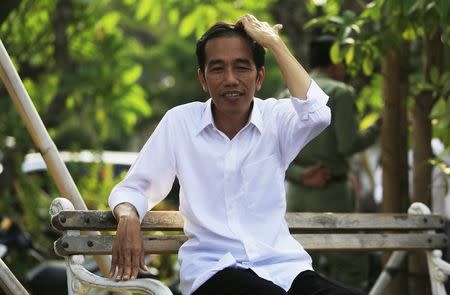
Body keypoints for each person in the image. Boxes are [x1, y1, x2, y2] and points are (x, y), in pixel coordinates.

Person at [108, 14, 362, 295]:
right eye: (217, 69)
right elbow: (134, 188)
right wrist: (129, 217)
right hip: (215, 271)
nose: (230, 79)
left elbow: (317, 114)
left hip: (285, 268)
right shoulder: (180, 123)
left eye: (242, 68)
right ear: (203, 80)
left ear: (260, 78)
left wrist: (274, 44)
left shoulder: (275, 119)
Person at [282, 35, 381, 291]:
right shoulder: (340, 92)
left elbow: (274, 151)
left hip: (294, 195)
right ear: (337, 64)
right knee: (350, 265)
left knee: (298, 269)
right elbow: (347, 145)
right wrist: (378, 128)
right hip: (332, 194)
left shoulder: (285, 93)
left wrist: (301, 174)